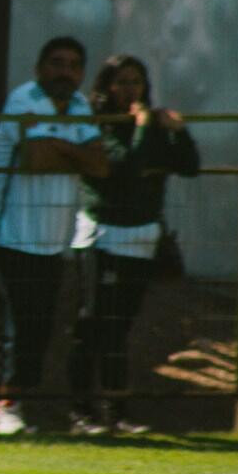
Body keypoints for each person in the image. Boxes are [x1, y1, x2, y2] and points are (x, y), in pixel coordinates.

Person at [0, 35, 107, 436]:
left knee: (38, 325)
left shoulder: (82, 105)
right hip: (8, 232)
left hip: (54, 237)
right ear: (39, 68)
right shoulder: (23, 100)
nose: (64, 71)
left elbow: (100, 165)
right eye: (56, 62)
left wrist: (53, 143)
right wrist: (71, 149)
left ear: (82, 73)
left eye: (72, 64)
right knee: (18, 324)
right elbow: (35, 160)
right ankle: (1, 407)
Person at [67, 54, 200, 436]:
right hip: (101, 234)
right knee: (91, 321)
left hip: (141, 238)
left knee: (119, 327)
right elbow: (126, 168)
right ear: (107, 86)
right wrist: (142, 128)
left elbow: (189, 166)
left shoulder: (153, 125)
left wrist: (177, 131)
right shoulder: (100, 125)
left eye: (136, 82)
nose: (130, 89)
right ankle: (81, 413)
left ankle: (115, 413)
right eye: (122, 81)